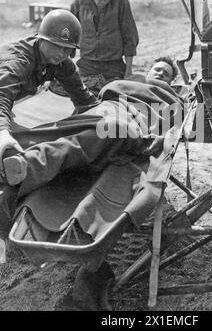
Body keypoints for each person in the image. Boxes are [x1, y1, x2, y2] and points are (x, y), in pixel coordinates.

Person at [0, 57, 181, 259]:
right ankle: (21, 162)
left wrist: (163, 135)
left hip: (133, 122)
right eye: (157, 69)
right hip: (107, 110)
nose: (159, 74)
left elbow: (178, 128)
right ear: (148, 70)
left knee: (87, 141)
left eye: (166, 74)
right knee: (66, 132)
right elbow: (102, 96)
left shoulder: (171, 98)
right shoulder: (129, 82)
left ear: (171, 82)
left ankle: (25, 167)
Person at [0, 9, 97, 177]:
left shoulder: (60, 62)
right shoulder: (18, 61)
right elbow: (2, 97)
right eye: (56, 46)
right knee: (8, 147)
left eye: (67, 49)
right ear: (41, 39)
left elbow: (83, 98)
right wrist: (2, 132)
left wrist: (101, 114)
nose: (61, 53)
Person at [70, 0, 139, 95]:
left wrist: (128, 72)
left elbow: (130, 38)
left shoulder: (121, 2)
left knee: (113, 98)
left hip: (114, 67)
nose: (103, 2)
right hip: (87, 66)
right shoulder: (77, 5)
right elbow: (70, 39)